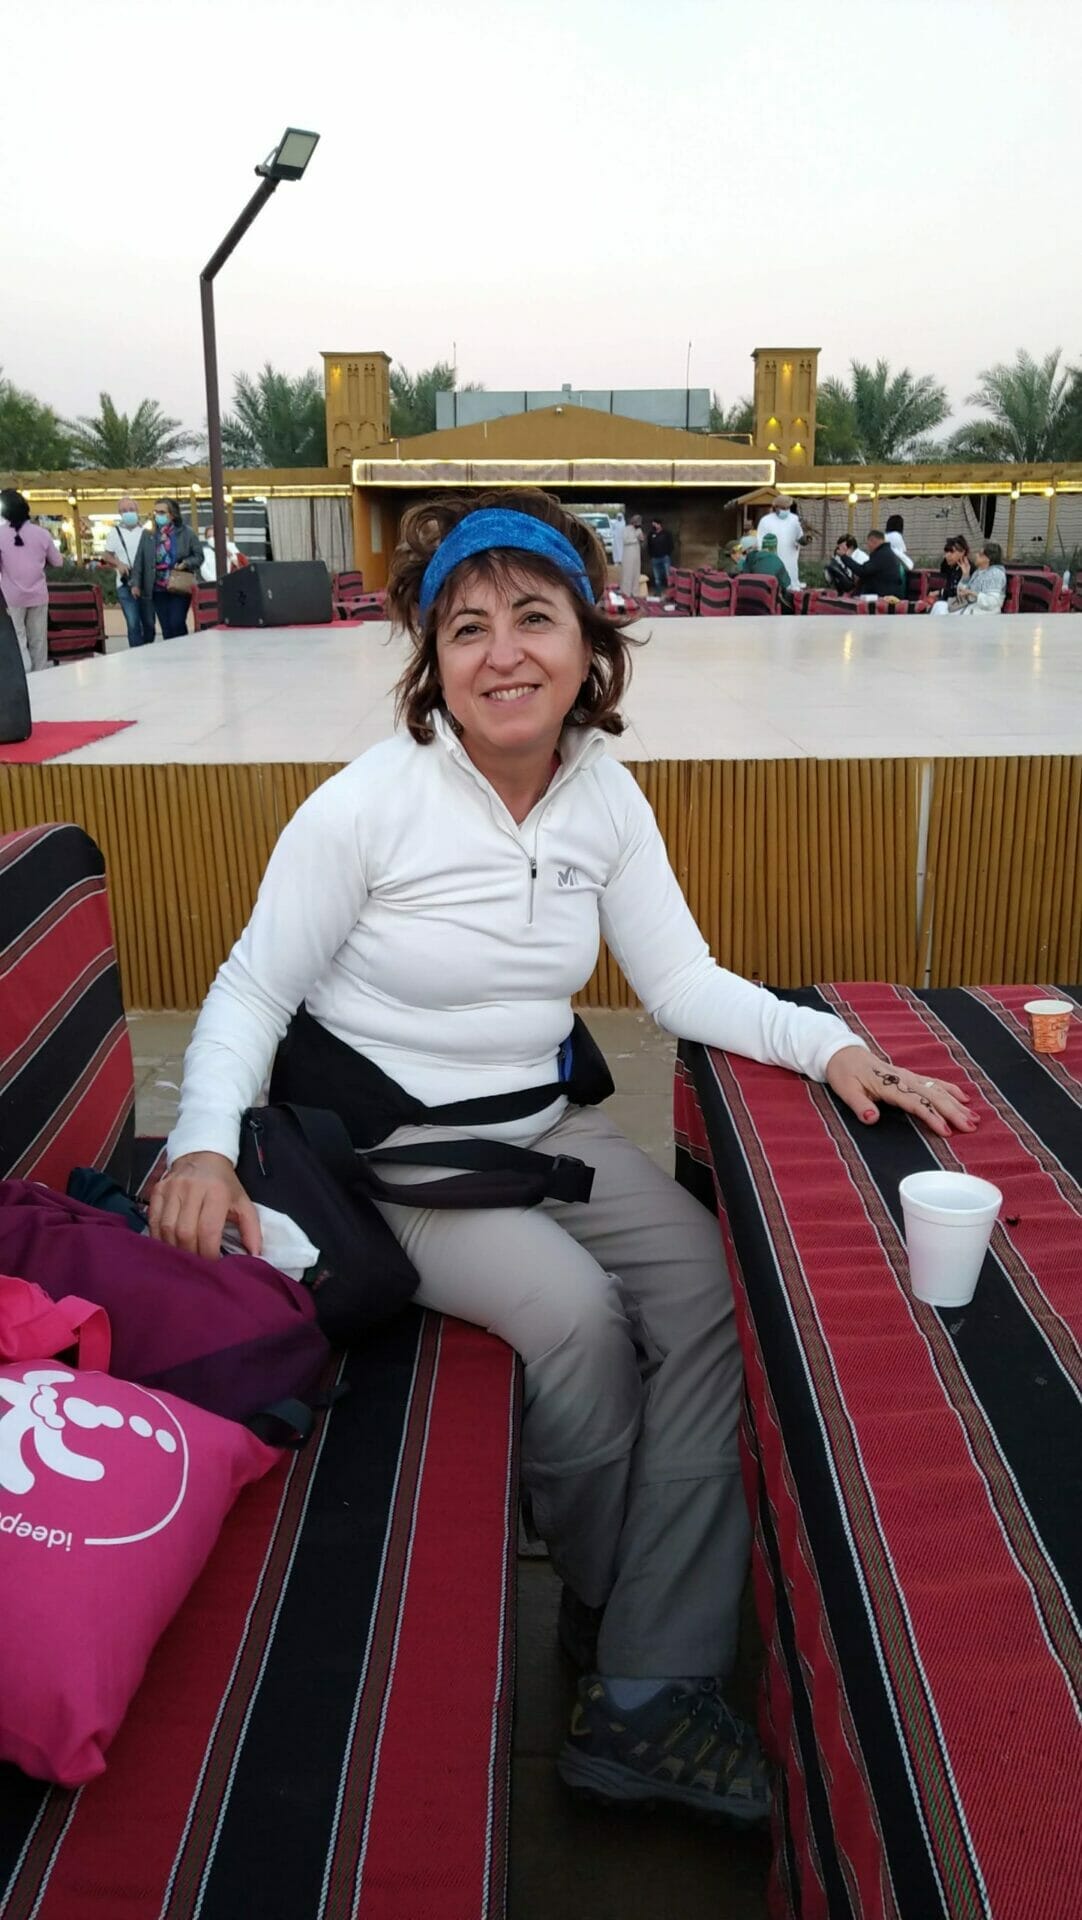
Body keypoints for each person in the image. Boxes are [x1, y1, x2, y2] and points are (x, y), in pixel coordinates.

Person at [147, 487, 975, 1824]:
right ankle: (615, 1623)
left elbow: (680, 981)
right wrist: (201, 1149)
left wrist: (825, 1047)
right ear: (432, 662)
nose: (502, 654)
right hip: (401, 1165)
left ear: (589, 643)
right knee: (580, 1319)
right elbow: (251, 988)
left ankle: (641, 1662)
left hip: (546, 1127)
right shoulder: (366, 808)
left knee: (713, 1292)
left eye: (532, 617)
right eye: (466, 628)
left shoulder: (603, 798)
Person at [0, 489, 63, 673]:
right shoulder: (42, 534)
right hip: (38, 595)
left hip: (11, 597)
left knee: (18, 638)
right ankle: (40, 675)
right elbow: (58, 562)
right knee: (38, 639)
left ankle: (23, 674)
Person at [133, 498, 202, 639]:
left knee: (177, 622)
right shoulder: (148, 534)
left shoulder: (187, 533)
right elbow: (139, 560)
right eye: (156, 512)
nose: (158, 515)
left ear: (172, 514)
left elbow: (198, 556)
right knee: (166, 627)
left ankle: (183, 649)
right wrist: (135, 584)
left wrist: (186, 563)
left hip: (179, 585)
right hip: (157, 588)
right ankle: (171, 651)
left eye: (162, 512)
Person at [103, 498, 153, 648]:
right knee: (133, 623)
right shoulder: (114, 533)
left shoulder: (146, 532)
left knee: (149, 622)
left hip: (146, 583)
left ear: (137, 511)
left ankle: (148, 649)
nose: (128, 513)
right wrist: (118, 564)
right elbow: (106, 555)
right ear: (119, 513)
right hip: (125, 583)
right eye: (124, 510)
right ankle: (136, 654)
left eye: (131, 509)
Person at [932, 541, 1007, 616]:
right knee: (939, 606)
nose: (976, 555)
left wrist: (973, 593)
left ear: (988, 558)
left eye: (980, 554)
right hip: (969, 609)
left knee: (940, 610)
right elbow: (961, 593)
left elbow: (993, 602)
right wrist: (965, 575)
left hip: (982, 614)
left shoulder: (995, 574)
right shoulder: (979, 572)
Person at [754, 494, 805, 590]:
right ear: (775, 507)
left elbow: (800, 538)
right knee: (773, 589)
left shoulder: (794, 519)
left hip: (790, 562)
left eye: (787, 508)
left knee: (790, 588)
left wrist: (805, 539)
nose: (785, 510)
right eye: (783, 508)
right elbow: (760, 543)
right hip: (772, 563)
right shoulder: (766, 521)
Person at [851, 529, 907, 600]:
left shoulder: (882, 555)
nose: (868, 547)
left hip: (886, 597)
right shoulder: (884, 553)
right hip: (884, 593)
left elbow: (862, 570)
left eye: (868, 544)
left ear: (873, 541)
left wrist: (844, 557)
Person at [744, 531, 792, 605]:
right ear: (775, 547)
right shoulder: (777, 561)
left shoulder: (751, 557)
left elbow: (744, 574)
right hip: (768, 600)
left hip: (748, 597)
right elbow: (786, 583)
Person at [929, 535, 969, 606]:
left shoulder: (969, 569)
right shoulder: (946, 564)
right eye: (946, 552)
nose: (947, 555)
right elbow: (944, 584)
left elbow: (958, 592)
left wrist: (939, 592)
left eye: (952, 552)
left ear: (962, 552)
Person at [618, 511, 644, 594]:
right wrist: (635, 538)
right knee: (628, 573)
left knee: (636, 573)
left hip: (636, 554)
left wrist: (641, 538)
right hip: (628, 554)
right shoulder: (626, 529)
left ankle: (635, 592)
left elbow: (642, 540)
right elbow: (625, 541)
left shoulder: (639, 530)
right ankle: (626, 592)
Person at [646, 519, 675, 593]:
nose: (653, 526)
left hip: (665, 557)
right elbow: (649, 546)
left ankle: (670, 592)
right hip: (655, 558)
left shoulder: (666, 533)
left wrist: (667, 553)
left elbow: (671, 545)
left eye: (655, 524)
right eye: (653, 525)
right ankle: (658, 591)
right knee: (657, 577)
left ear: (659, 524)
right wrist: (651, 555)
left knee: (668, 575)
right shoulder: (651, 534)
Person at [610, 508, 626, 575]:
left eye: (620, 517)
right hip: (616, 539)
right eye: (618, 517)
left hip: (622, 539)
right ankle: (616, 561)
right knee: (616, 550)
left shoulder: (624, 523)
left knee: (622, 550)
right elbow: (612, 530)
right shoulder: (615, 523)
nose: (619, 518)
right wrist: (613, 534)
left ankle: (622, 561)